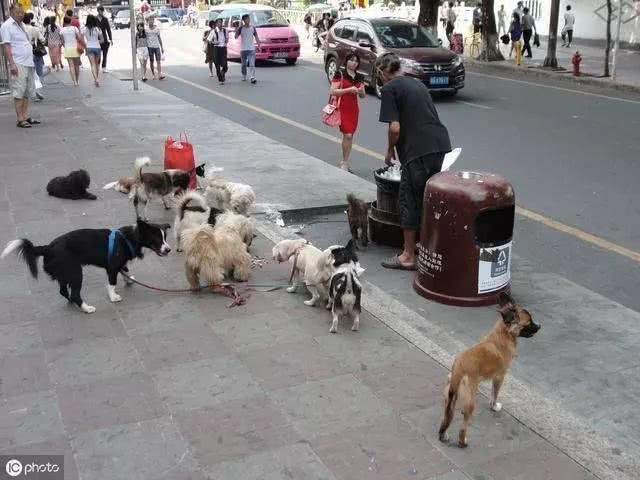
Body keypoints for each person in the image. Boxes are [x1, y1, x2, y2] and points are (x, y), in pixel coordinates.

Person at [376, 53, 451, 270]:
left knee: (408, 199)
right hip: (440, 144)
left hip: (417, 150)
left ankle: (408, 255)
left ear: (382, 72)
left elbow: (395, 127)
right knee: (427, 198)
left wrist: (390, 151)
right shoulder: (417, 84)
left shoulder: (390, 88)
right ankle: (424, 244)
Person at [0, 3, 39, 128]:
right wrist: (12, 64)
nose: (20, 14)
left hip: (28, 62)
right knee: (19, 91)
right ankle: (20, 118)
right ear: (11, 12)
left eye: (21, 12)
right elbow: (6, 46)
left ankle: (25, 115)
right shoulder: (7, 26)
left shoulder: (21, 25)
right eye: (17, 12)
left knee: (27, 91)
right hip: (18, 62)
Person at [329, 53, 365, 172]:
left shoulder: (360, 77)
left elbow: (363, 96)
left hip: (353, 109)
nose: (354, 63)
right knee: (347, 134)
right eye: (351, 60)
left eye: (356, 61)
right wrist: (349, 89)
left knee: (349, 136)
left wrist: (360, 91)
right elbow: (333, 91)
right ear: (346, 61)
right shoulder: (340, 74)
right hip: (342, 108)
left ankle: (345, 160)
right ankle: (344, 162)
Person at [23, 12, 45, 101]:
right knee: (38, 72)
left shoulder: (21, 29)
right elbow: (43, 40)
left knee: (28, 73)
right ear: (30, 20)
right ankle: (36, 91)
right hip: (35, 52)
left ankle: (31, 91)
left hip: (23, 53)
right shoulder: (34, 29)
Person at [235, 13, 260, 84]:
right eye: (246, 19)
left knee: (252, 64)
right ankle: (244, 75)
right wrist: (237, 29)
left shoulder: (253, 28)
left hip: (251, 49)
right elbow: (236, 37)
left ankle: (252, 77)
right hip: (243, 49)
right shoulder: (241, 28)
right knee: (243, 64)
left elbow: (256, 37)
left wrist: (259, 45)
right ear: (243, 20)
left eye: (248, 18)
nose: (248, 20)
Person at [60, 16, 82, 86]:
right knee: (77, 65)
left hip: (67, 48)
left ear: (64, 22)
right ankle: (77, 80)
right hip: (75, 48)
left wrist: (65, 45)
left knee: (71, 66)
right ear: (70, 21)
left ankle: (74, 82)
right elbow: (79, 37)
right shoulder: (75, 28)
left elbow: (62, 41)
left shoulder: (62, 30)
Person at [83, 14, 103, 87]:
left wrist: (86, 43)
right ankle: (96, 79)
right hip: (97, 47)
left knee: (92, 64)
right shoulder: (98, 29)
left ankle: (96, 79)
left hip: (89, 47)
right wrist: (96, 41)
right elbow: (102, 40)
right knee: (97, 64)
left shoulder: (84, 28)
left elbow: (80, 37)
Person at [209, 17, 228, 85]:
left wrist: (226, 40)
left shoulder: (225, 31)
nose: (220, 24)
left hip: (223, 48)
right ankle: (220, 79)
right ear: (216, 24)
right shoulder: (213, 31)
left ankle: (222, 73)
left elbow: (227, 39)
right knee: (217, 65)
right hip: (216, 49)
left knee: (225, 66)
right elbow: (209, 41)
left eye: (221, 22)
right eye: (219, 22)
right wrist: (215, 42)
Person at [96, 6, 112, 73]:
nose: (101, 12)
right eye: (99, 11)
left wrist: (111, 39)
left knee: (105, 54)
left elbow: (108, 29)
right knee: (98, 55)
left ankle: (104, 67)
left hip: (105, 39)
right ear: (98, 11)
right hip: (97, 39)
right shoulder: (95, 19)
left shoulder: (105, 19)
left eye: (102, 11)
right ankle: (97, 66)